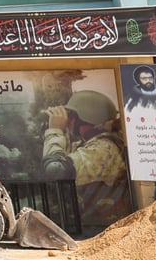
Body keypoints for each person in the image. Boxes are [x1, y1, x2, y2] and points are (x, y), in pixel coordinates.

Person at [42, 90, 130, 228]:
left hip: (100, 228)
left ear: (84, 118)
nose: (69, 120)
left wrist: (55, 131)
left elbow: (55, 170)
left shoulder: (104, 148)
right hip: (92, 224)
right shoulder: (91, 144)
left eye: (71, 116)